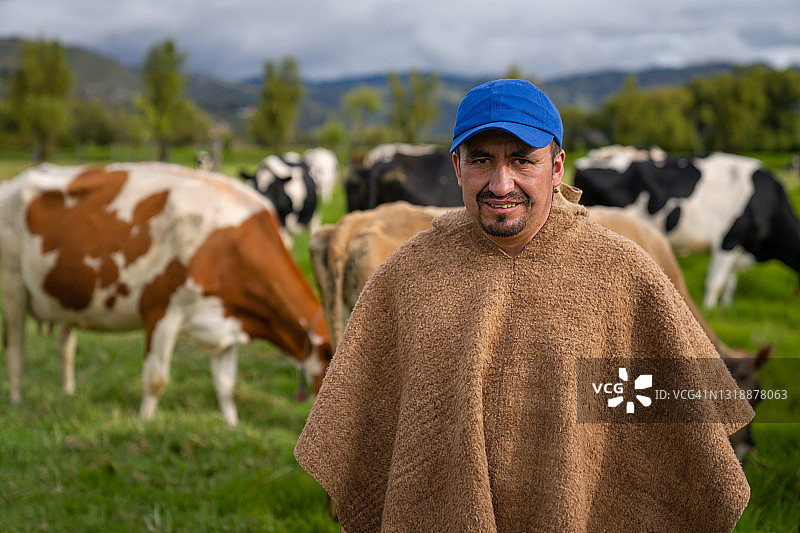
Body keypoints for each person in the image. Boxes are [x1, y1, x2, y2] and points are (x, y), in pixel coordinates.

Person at [295, 79, 753, 532]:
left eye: (522, 161)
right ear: (457, 167)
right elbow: (361, 421)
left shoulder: (620, 272)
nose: (501, 183)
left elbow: (668, 428)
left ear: (556, 168)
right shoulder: (409, 273)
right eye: (481, 160)